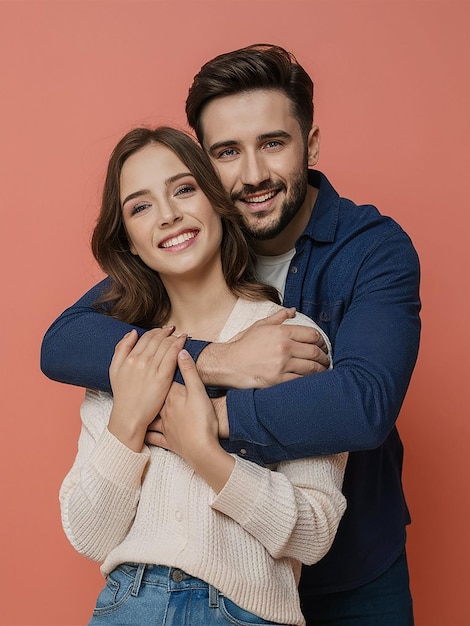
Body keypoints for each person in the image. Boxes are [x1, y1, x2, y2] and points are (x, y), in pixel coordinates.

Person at [42, 45, 421, 625]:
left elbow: (362, 404)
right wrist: (216, 361)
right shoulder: (161, 277)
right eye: (225, 152)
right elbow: (64, 342)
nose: (252, 176)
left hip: (352, 566)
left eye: (273, 143)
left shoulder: (371, 250)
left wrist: (198, 421)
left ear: (311, 144)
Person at [59, 125, 347, 626]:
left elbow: (315, 534)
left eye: (183, 189)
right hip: (129, 607)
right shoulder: (124, 352)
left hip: (246, 610)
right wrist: (127, 422)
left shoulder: (289, 338)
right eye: (140, 206)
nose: (168, 215)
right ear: (127, 241)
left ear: (216, 201)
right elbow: (89, 535)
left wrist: (207, 457)